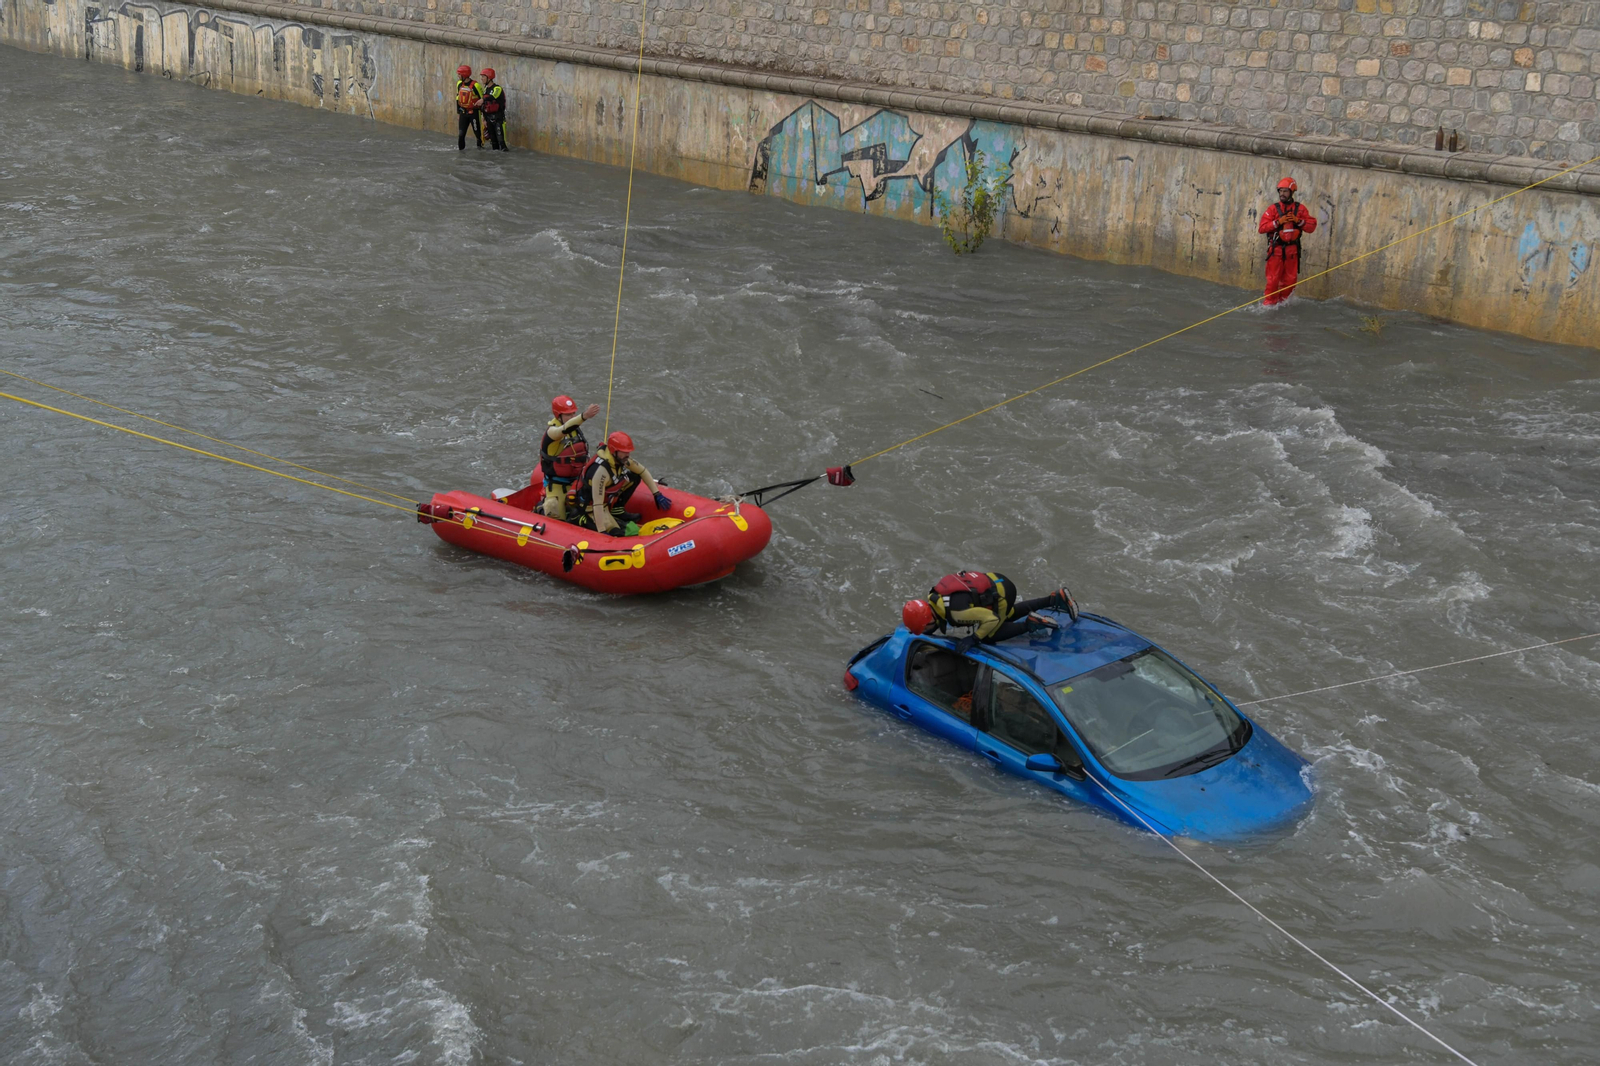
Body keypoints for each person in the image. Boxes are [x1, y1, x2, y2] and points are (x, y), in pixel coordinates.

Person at [905, 571, 1078, 652]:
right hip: (997, 580)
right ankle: (1054, 598)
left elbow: (991, 619)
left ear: (929, 620)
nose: (928, 631)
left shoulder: (956, 614)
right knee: (1008, 615)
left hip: (1001, 594)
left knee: (989, 634)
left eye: (926, 628)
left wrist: (974, 638)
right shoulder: (936, 597)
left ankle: (1030, 624)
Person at [578, 431, 671, 536]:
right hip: (591, 508)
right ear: (614, 451)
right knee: (618, 533)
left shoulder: (621, 459)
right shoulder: (601, 472)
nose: (628, 455)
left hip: (604, 504)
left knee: (634, 476)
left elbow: (642, 471)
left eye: (628, 452)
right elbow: (597, 504)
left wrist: (656, 494)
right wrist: (602, 531)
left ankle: (617, 510)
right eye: (624, 452)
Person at [1258, 177, 1318, 306]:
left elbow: (1311, 227)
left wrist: (1298, 221)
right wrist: (1278, 222)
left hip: (1292, 251)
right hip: (1276, 251)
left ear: (1292, 192)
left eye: (1285, 191)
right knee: (1273, 281)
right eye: (1280, 191)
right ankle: (1269, 305)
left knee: (1290, 282)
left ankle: (1284, 305)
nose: (1282, 194)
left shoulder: (1300, 209)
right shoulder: (1273, 209)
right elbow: (1262, 228)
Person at [540, 395, 602, 520]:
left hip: (576, 482)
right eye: (568, 414)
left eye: (573, 413)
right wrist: (584, 416)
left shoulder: (574, 429)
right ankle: (540, 509)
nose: (572, 417)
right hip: (557, 484)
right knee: (554, 510)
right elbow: (563, 430)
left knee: (591, 510)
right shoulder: (552, 432)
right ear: (558, 415)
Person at [478, 68, 508, 152]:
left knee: (501, 142)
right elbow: (485, 105)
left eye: (483, 77)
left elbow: (493, 96)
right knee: (494, 142)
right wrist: (484, 119)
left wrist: (483, 100)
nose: (482, 79)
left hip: (498, 119)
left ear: (489, 78)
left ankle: (504, 157)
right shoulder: (485, 89)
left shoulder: (497, 88)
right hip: (488, 118)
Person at [454, 64, 482, 151]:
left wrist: (484, 116)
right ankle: (461, 152)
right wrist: (458, 112)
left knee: (478, 134)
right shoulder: (459, 84)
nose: (458, 76)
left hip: (474, 113)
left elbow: (482, 99)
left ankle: (480, 151)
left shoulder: (476, 85)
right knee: (461, 135)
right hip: (463, 112)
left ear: (464, 75)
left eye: (459, 74)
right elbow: (458, 97)